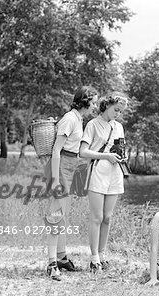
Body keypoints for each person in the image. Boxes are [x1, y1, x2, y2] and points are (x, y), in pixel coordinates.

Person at [44, 86, 99, 280]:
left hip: (70, 165)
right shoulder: (69, 119)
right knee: (56, 215)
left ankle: (61, 257)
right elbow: (56, 150)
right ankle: (51, 264)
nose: (95, 106)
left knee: (63, 214)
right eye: (93, 102)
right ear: (85, 101)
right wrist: (56, 179)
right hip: (61, 167)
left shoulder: (78, 119)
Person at [79, 93, 128, 273]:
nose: (118, 114)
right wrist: (106, 155)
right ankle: (94, 259)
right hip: (98, 172)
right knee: (97, 217)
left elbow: (120, 148)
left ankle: (102, 254)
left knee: (107, 217)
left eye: (121, 111)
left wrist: (122, 157)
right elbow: (83, 152)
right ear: (107, 105)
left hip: (115, 174)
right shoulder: (92, 125)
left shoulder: (119, 127)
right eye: (116, 109)